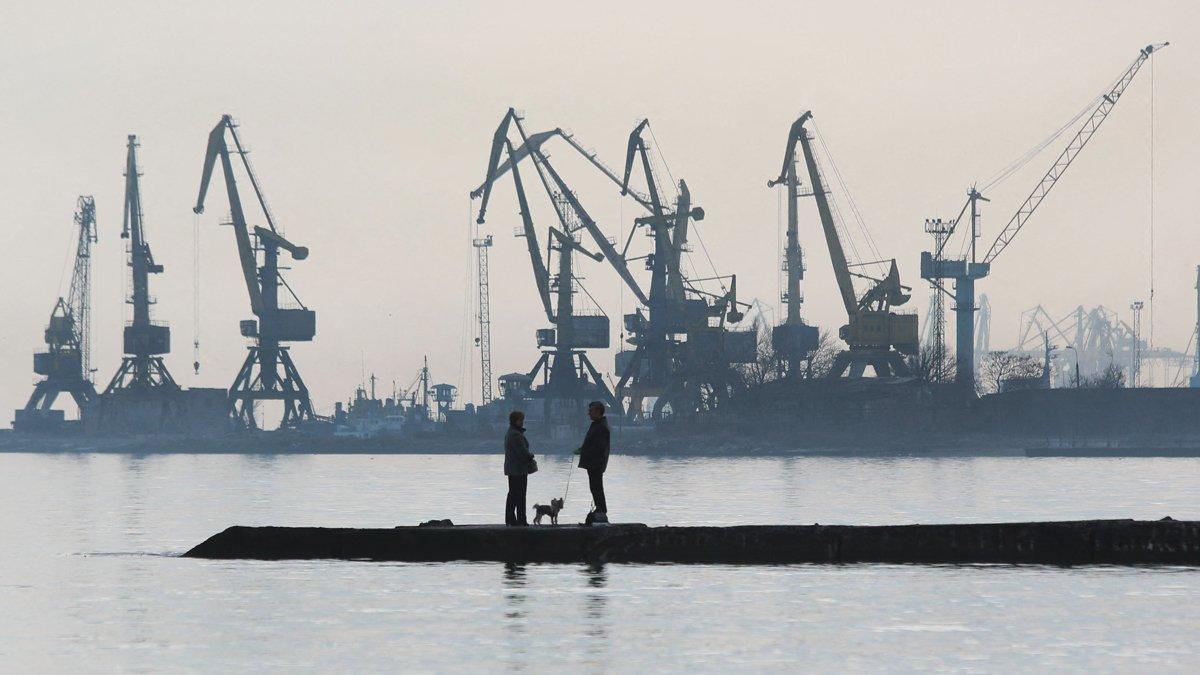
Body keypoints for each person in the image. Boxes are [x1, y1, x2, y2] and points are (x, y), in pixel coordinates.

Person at [575, 401, 611, 516]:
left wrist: (585, 451)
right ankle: (600, 509)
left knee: (596, 487)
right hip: (593, 462)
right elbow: (593, 443)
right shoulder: (597, 424)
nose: (588, 413)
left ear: (598, 411)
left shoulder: (601, 427)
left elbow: (599, 447)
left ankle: (601, 510)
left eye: (591, 410)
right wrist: (583, 449)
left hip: (596, 463)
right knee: (594, 487)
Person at [503, 410, 536, 526]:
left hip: (512, 469)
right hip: (518, 469)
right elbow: (522, 453)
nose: (523, 422)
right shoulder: (516, 435)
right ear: (517, 421)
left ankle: (510, 519)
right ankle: (521, 520)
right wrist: (530, 455)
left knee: (512, 494)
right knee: (520, 495)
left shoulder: (510, 432)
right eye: (521, 420)